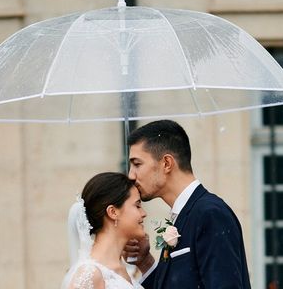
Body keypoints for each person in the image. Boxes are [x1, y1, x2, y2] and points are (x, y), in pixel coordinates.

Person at [124, 120, 252, 288]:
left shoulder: (210, 214)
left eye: (137, 164)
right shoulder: (185, 214)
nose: (131, 175)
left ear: (167, 163)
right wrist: (145, 261)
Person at [62, 172, 147, 289]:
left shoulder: (124, 269)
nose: (144, 214)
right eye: (137, 206)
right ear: (113, 212)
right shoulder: (90, 274)